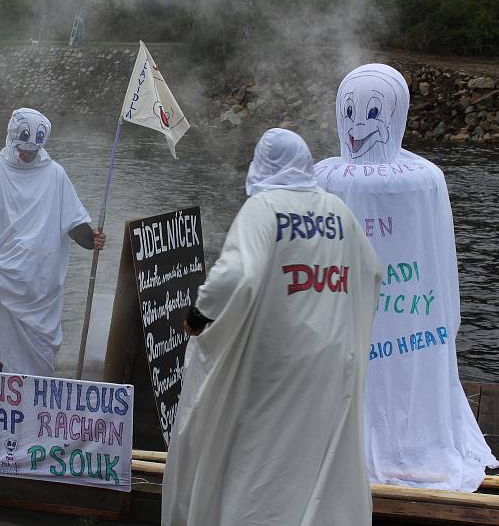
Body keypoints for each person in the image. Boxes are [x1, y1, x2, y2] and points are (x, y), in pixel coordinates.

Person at [162, 128, 382, 526]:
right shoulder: (338, 211)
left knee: (260, 452)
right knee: (313, 451)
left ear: (262, 165)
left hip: (278, 358)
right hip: (332, 357)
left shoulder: (264, 209)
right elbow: (371, 270)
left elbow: (236, 273)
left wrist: (199, 317)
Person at [314, 64, 499, 491]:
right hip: (405, 316)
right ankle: (410, 438)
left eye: (373, 113)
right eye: (351, 111)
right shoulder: (423, 179)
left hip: (375, 311)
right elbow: (438, 257)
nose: (358, 125)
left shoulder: (330, 177)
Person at [0, 108, 105, 376]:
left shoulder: (54, 174)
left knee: (39, 345)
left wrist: (90, 239)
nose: (26, 155)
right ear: (11, 140)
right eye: (22, 149)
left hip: (38, 279)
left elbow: (72, 220)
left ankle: (34, 391)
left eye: (32, 152)